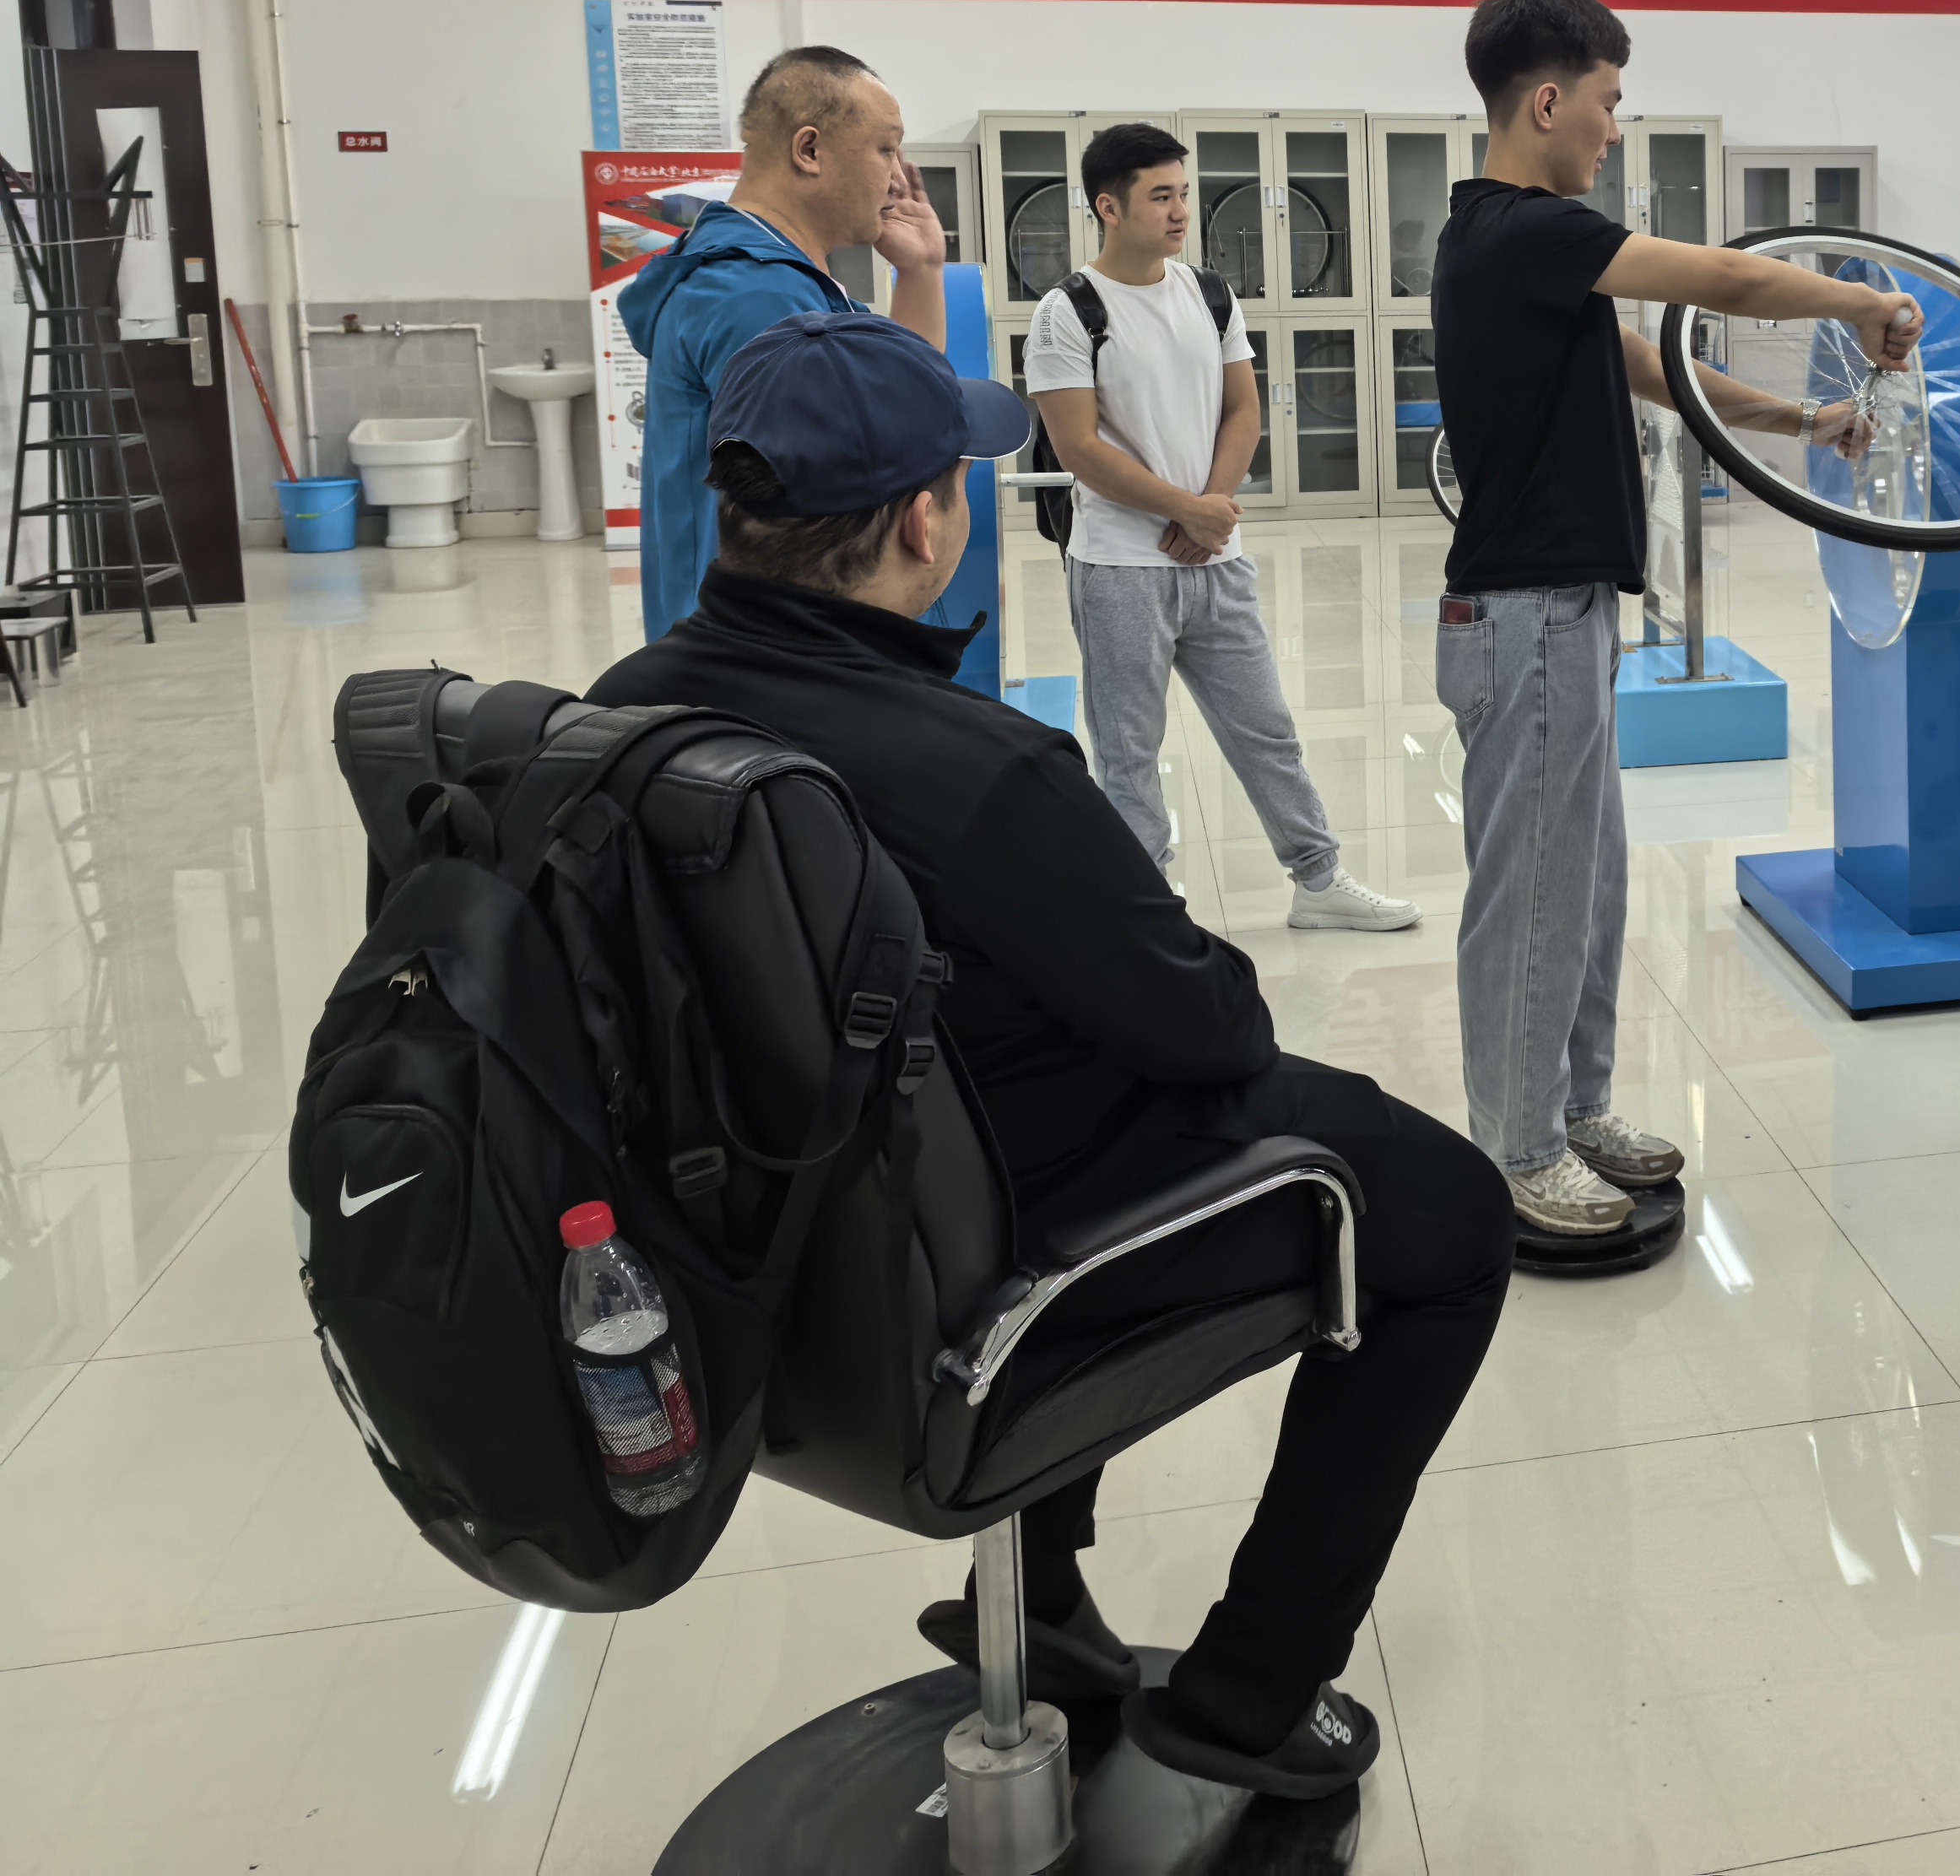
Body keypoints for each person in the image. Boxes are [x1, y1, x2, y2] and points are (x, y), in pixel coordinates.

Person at [591, 309, 1509, 1803]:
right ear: (923, 522)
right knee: (1451, 1217)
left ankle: (1042, 1596)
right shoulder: (977, 771)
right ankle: (1252, 1689)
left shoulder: (622, 716)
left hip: (753, 1256)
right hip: (970, 1252)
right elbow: (1209, 1026)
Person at [1433, 0, 1920, 1242]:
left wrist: (1802, 418)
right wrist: (1859, 300)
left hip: (1563, 611)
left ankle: (1571, 1108)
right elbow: (1721, 285)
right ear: (1548, 102)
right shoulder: (1520, 230)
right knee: (1534, 891)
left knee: (1587, 882)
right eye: (1607, 104)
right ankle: (1516, 1148)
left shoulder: (1533, 258)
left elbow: (1657, 366)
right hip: (1526, 614)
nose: (1613, 130)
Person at [1029, 122, 1416, 932]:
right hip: (1120, 568)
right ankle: (1147, 903)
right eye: (1159, 196)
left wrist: (1211, 508)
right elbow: (1078, 448)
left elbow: (1244, 410)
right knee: (1130, 750)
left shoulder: (1209, 293)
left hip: (1216, 559)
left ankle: (1318, 880)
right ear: (1108, 207)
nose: (1180, 211)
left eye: (1184, 193)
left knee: (1266, 729)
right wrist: (1186, 510)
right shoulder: (1067, 312)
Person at [619, 45, 944, 642]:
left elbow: (907, 413)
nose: (898, 178)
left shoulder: (781, 279)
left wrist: (920, 272)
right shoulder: (757, 294)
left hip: (751, 642)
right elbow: (876, 471)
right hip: (759, 651)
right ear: (809, 150)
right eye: (886, 149)